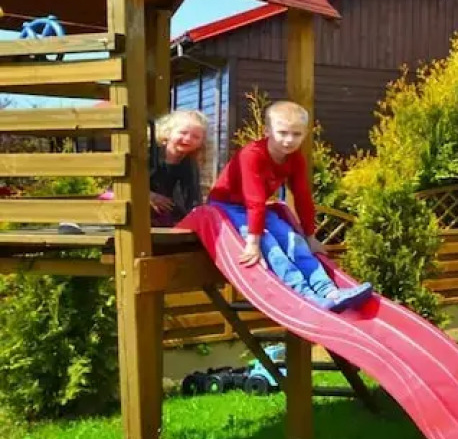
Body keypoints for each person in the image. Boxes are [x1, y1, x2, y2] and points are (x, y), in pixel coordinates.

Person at [207, 99, 372, 312]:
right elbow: (254, 199)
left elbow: (303, 196)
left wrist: (311, 237)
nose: (289, 140)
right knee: (271, 246)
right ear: (267, 131)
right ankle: (306, 295)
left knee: (294, 240)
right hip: (226, 206)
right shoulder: (252, 155)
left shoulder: (295, 159)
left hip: (256, 207)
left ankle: (329, 291)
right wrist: (253, 242)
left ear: (305, 134)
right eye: (282, 133)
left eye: (296, 134)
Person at [59, 108, 209, 233]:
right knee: (113, 204)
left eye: (195, 137)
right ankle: (75, 221)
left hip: (154, 211)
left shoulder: (189, 164)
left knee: (166, 219)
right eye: (183, 133)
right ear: (168, 132)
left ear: (201, 142)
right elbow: (128, 180)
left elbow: (192, 196)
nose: (188, 139)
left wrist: (193, 217)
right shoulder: (149, 153)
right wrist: (148, 195)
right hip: (129, 195)